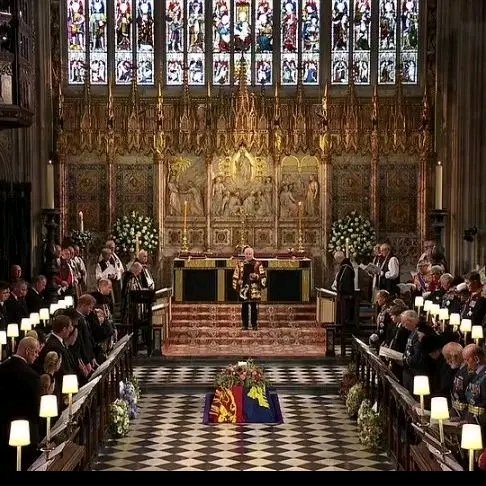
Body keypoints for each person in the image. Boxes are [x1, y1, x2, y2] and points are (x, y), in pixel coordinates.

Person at [0, 336, 41, 471]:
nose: (37, 355)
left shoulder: (2, 367)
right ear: (27, 351)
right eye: (35, 352)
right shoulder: (31, 376)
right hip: (25, 432)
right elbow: (35, 411)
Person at [232, 246, 266, 331]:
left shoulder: (258, 264)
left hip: (254, 288)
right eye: (246, 253)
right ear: (244, 254)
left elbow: (263, 276)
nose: (248, 255)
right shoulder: (240, 264)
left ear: (252, 254)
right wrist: (238, 281)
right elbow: (236, 275)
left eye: (250, 253)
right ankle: (244, 325)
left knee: (254, 307)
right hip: (244, 289)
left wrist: (257, 276)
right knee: (244, 307)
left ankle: (254, 325)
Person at [332, 250, 355, 327]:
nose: (337, 262)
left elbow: (345, 282)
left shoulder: (346, 267)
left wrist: (339, 289)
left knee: (345, 312)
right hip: (344, 294)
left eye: (336, 260)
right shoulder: (345, 266)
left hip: (346, 295)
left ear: (339, 258)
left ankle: (344, 326)